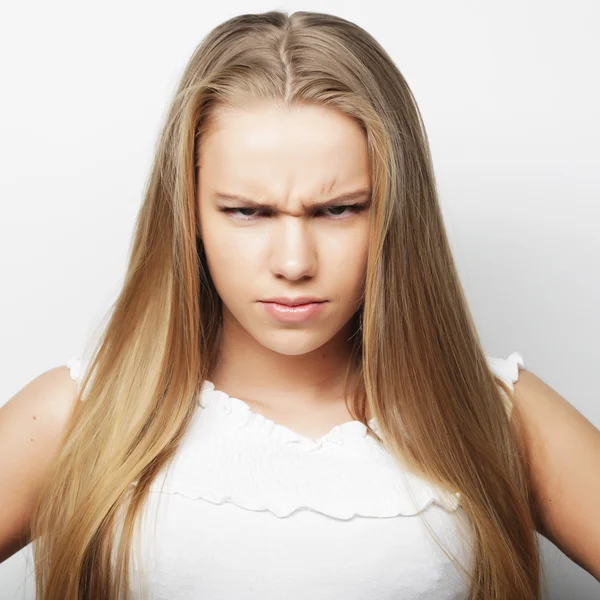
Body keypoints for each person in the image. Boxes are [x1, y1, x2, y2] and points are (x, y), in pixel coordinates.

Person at [1, 10, 599, 600]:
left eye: (338, 209)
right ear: (188, 217)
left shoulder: (493, 415)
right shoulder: (80, 417)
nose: (293, 262)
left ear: (394, 214)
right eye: (248, 211)